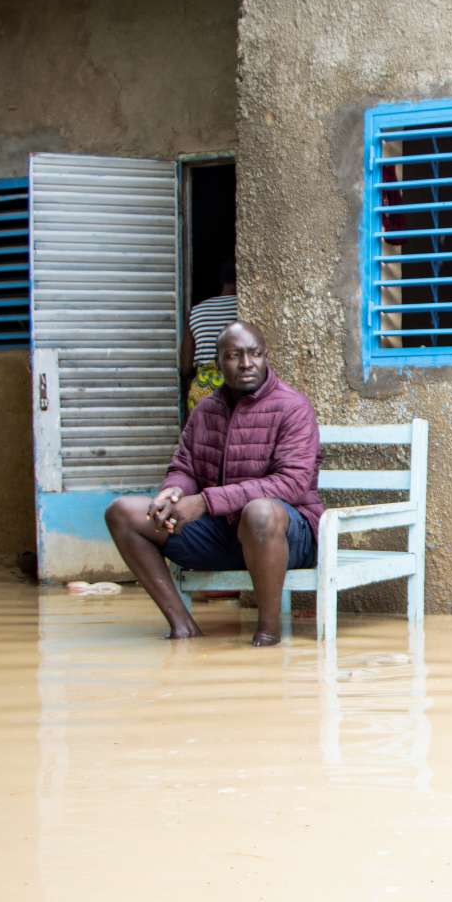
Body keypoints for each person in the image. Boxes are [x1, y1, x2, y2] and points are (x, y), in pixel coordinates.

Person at [106, 321, 325, 647]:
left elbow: (290, 484)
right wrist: (174, 491)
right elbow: (185, 467)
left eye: (255, 354)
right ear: (219, 362)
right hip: (222, 535)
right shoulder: (207, 410)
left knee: (259, 512)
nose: (247, 364)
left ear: (266, 356)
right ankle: (183, 628)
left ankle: (267, 632)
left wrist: (204, 502)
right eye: (235, 355)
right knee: (123, 512)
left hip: (287, 538)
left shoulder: (292, 407)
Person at [182, 261, 239, 409]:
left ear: (221, 281)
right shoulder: (244, 309)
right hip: (236, 387)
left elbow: (185, 367)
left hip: (203, 388)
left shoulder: (197, 311)